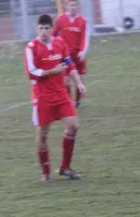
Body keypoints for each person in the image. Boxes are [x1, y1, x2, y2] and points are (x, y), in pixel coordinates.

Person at [24, 13, 86, 183]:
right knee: (43, 134)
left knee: (73, 126)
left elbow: (70, 64)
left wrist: (79, 83)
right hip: (42, 97)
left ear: (52, 29)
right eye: (41, 28)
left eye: (46, 28)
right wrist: (52, 71)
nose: (43, 31)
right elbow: (31, 72)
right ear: (37, 29)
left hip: (60, 94)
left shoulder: (59, 43)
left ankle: (65, 167)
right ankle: (46, 173)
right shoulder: (31, 48)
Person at [52, 0, 89, 108]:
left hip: (78, 55)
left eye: (75, 5)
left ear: (78, 6)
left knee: (80, 80)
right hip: (65, 56)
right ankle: (68, 102)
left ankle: (76, 101)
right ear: (66, 6)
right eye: (70, 5)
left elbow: (84, 38)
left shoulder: (82, 21)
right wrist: (55, 49)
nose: (73, 7)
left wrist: (83, 52)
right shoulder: (60, 20)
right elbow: (53, 35)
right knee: (66, 80)